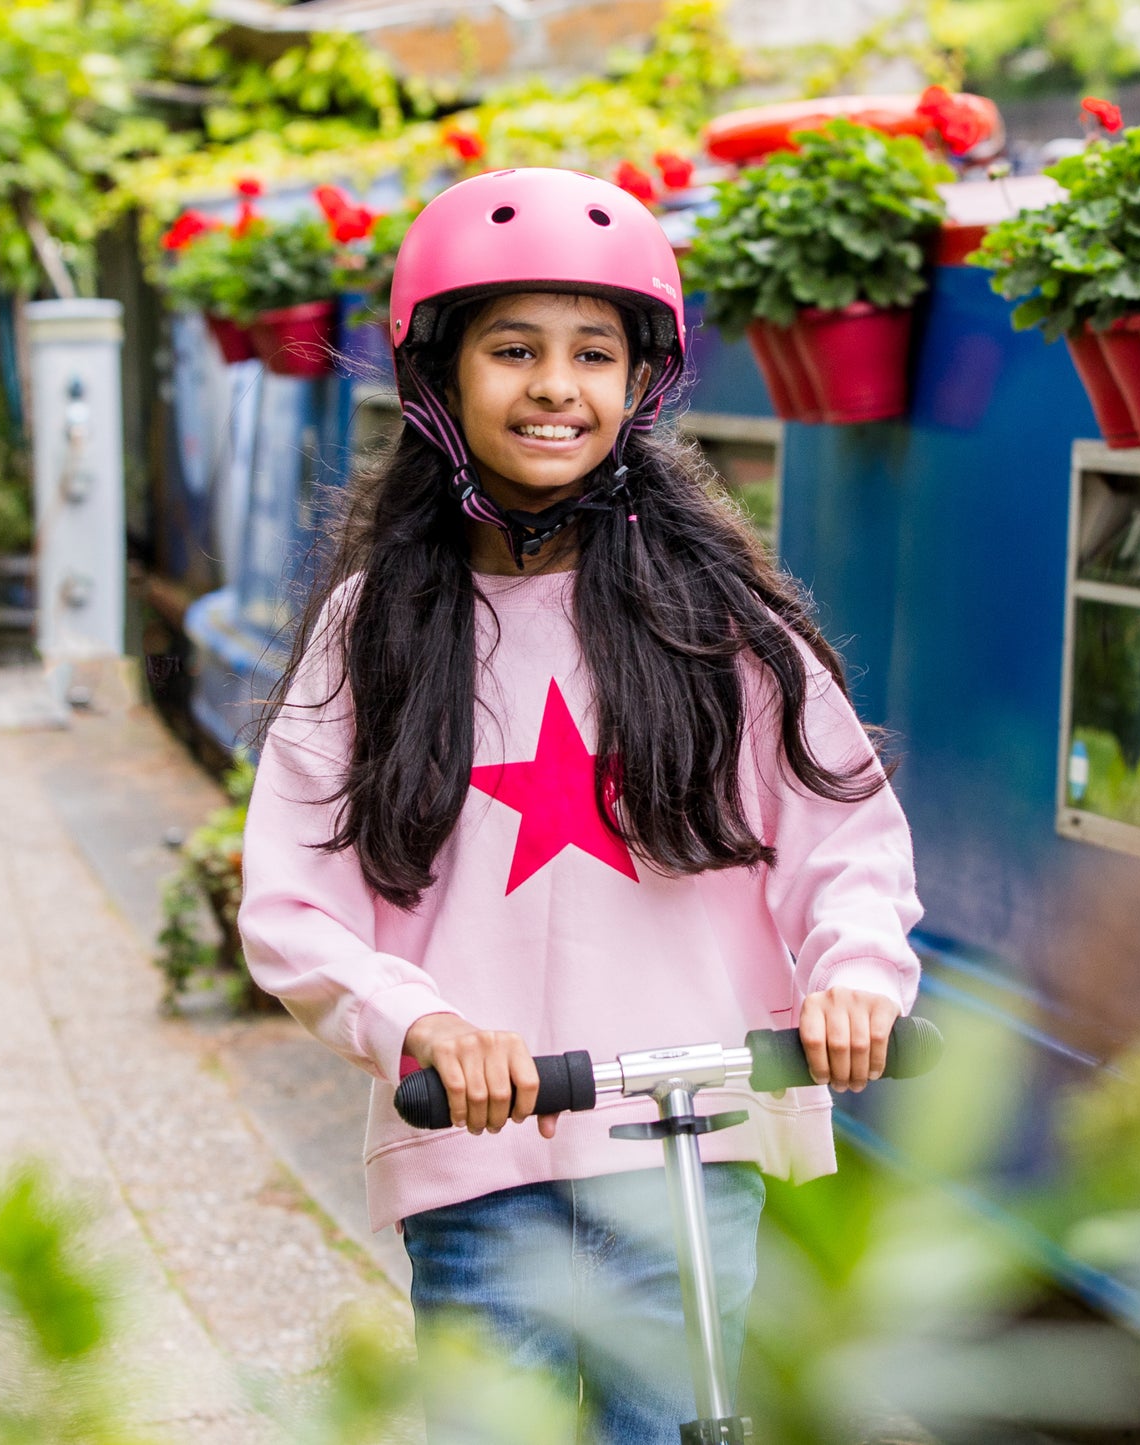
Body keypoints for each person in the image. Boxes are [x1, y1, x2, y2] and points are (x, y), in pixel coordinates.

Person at [237, 167, 922, 1444]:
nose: (555, 384)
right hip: (473, 1161)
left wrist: (854, 977)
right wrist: (418, 1022)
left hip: (690, 1146)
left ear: (640, 382)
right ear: (438, 378)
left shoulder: (717, 623)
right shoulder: (371, 625)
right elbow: (287, 900)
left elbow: (846, 841)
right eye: (512, 348)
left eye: (591, 353)